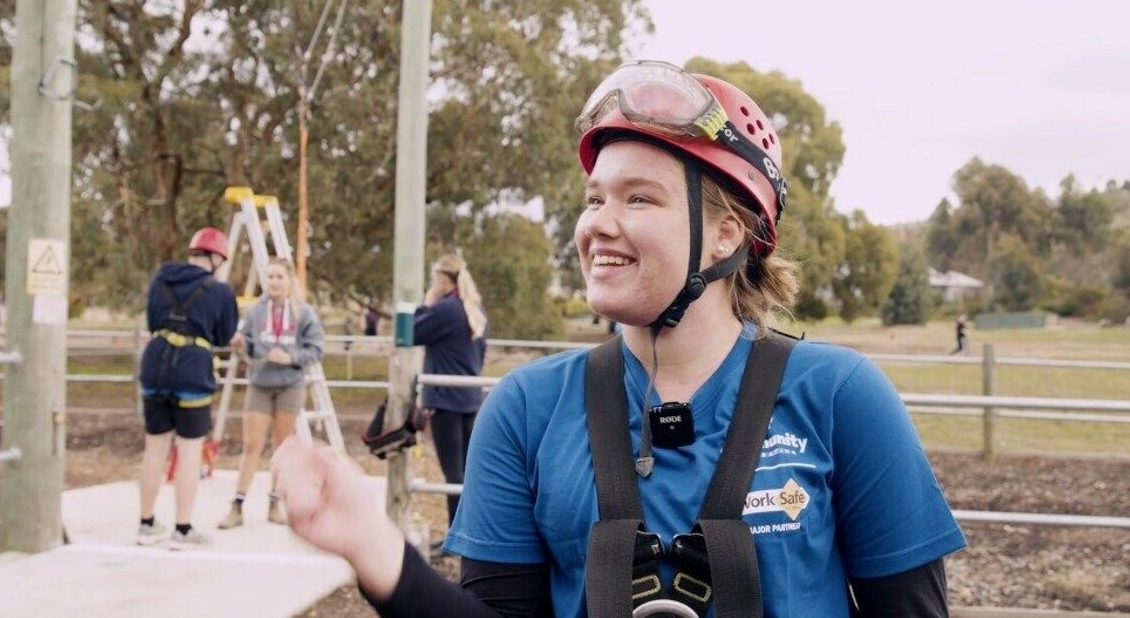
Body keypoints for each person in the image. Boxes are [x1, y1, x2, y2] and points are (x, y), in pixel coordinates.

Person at [273, 61, 966, 616]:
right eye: (594, 199)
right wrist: (377, 553)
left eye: (639, 198)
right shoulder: (525, 410)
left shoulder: (841, 398)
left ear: (727, 232)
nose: (598, 224)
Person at [137, 227, 238, 550]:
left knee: (155, 449)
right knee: (189, 451)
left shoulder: (161, 279)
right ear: (217, 259)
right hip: (193, 369)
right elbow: (223, 336)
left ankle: (146, 523)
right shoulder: (220, 292)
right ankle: (182, 528)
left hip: (155, 363)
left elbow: (153, 320)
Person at [217, 258, 324, 529]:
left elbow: (315, 349)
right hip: (260, 384)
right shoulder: (255, 312)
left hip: (289, 385)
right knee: (251, 444)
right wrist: (240, 345)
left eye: (279, 277)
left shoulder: (304, 313)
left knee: (281, 448)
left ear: (289, 280)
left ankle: (275, 503)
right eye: (270, 277)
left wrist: (290, 357)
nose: (274, 282)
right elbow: (246, 345)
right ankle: (238, 505)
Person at [414, 253, 487, 533]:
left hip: (445, 401)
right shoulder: (473, 309)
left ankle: (457, 535)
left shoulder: (445, 309)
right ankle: (472, 531)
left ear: (443, 279)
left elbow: (408, 333)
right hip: (470, 399)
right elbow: (481, 353)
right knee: (468, 472)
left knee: (452, 473)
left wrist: (425, 305)